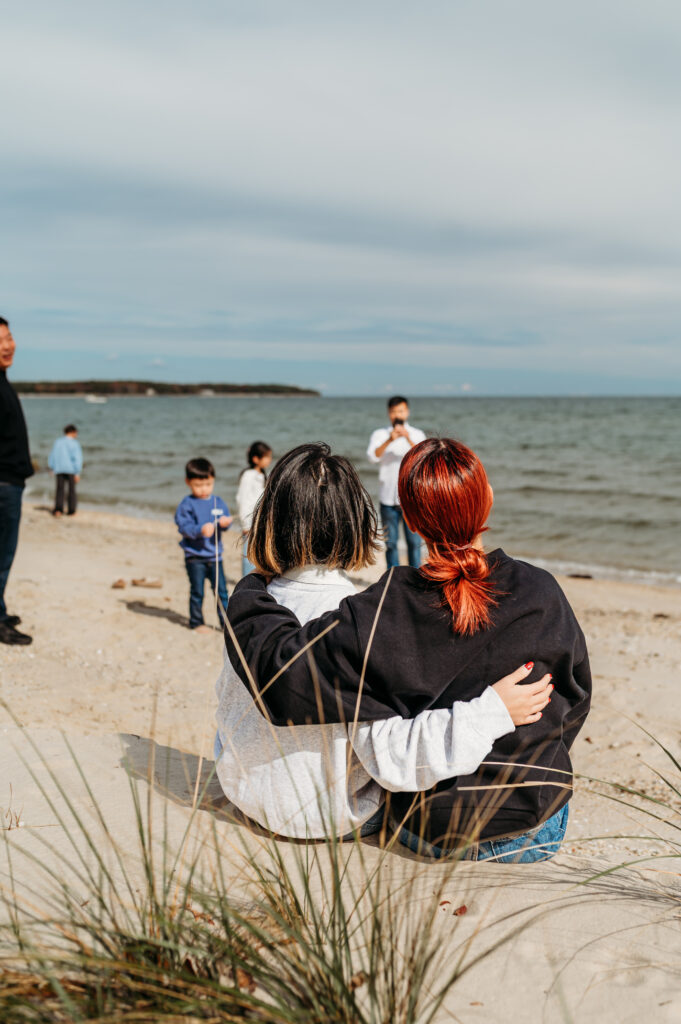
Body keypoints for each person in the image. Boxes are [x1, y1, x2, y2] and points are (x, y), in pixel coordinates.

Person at [225, 438, 591, 862]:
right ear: (488, 499)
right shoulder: (542, 592)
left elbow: (281, 675)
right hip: (530, 826)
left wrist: (253, 585)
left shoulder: (384, 612)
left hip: (426, 826)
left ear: (411, 522)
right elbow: (575, 699)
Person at [0, 317, 34, 646]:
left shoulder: (3, 380)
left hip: (10, 483)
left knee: (4, 555)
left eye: (9, 337)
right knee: (1, 555)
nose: (9, 345)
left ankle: (0, 609)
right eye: (1, 341)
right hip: (3, 485)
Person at [174, 458, 233, 634]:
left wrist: (225, 523)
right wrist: (200, 530)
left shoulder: (218, 502)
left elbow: (226, 521)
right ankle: (196, 622)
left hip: (215, 556)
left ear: (213, 480)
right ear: (188, 482)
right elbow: (184, 527)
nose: (203, 489)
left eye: (208, 484)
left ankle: (226, 624)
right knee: (197, 592)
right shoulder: (187, 504)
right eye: (198, 485)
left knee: (222, 592)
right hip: (195, 558)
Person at [367, 395, 425, 569]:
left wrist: (408, 439)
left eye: (400, 410)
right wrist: (390, 440)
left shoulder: (417, 434)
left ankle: (416, 579)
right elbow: (372, 457)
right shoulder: (380, 434)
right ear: (389, 413)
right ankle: (393, 579)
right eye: (393, 411)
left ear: (407, 412)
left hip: (412, 499)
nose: (397, 414)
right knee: (391, 544)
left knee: (414, 544)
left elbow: (424, 457)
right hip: (388, 498)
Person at [235, 441, 273, 576]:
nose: (269, 459)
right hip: (250, 523)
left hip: (260, 522)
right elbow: (242, 499)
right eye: (266, 456)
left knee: (259, 554)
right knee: (248, 555)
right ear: (256, 458)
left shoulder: (262, 475)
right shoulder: (248, 475)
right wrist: (245, 524)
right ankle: (248, 579)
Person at [48, 424, 83, 517]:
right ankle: (71, 510)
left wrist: (52, 467)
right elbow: (77, 459)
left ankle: (58, 509)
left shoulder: (58, 442)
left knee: (60, 490)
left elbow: (53, 455)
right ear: (72, 432)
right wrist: (77, 472)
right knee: (71, 490)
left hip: (59, 469)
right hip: (71, 469)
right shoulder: (75, 443)